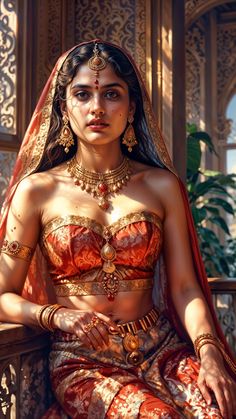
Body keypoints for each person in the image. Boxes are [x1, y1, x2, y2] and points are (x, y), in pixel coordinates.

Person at [0, 40, 235, 419]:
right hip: (83, 360)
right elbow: (2, 294)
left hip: (162, 349)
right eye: (82, 94)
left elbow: (185, 287)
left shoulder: (161, 186)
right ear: (64, 108)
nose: (97, 107)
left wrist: (209, 355)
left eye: (111, 93)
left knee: (219, 409)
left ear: (131, 107)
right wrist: (55, 315)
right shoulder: (37, 191)